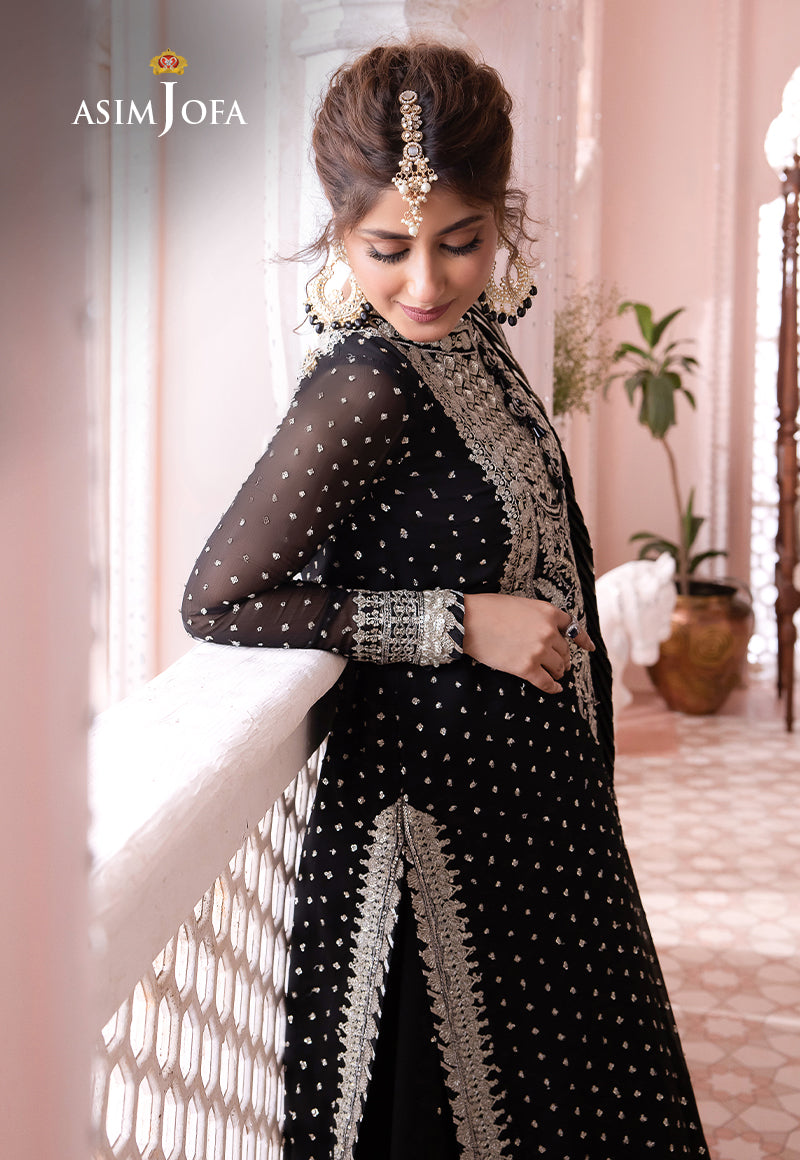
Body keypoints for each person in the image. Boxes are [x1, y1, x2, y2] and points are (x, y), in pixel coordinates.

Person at [182, 42, 709, 1160]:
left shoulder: (473, 342)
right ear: (339, 234)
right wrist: (456, 620)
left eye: (460, 242)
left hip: (537, 827)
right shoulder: (362, 387)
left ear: (499, 220)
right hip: (434, 843)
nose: (424, 282)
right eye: (388, 249)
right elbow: (219, 601)